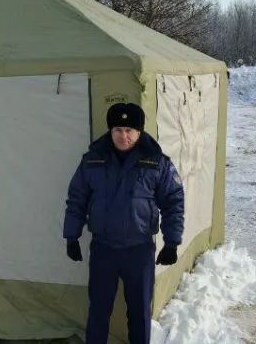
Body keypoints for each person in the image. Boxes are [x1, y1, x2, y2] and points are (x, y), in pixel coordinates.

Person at [63, 102, 185, 344]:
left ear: (139, 132)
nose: (123, 136)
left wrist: (172, 242)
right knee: (98, 311)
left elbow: (173, 202)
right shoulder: (93, 160)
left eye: (129, 130)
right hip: (103, 249)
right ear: (110, 131)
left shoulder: (156, 162)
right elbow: (77, 198)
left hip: (139, 251)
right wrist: (72, 236)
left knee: (139, 312)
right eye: (118, 129)